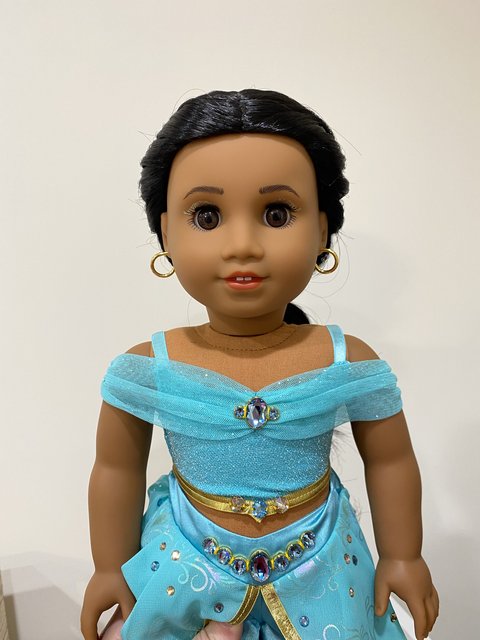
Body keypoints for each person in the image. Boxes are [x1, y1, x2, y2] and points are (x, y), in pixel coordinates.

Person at [80, 90, 439, 640]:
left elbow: (390, 461)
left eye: (277, 214)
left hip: (323, 568)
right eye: (207, 216)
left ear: (322, 230)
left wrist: (403, 555)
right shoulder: (146, 369)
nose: (242, 245)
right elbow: (115, 470)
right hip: (184, 567)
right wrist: (109, 567)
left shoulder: (347, 360)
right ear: (166, 232)